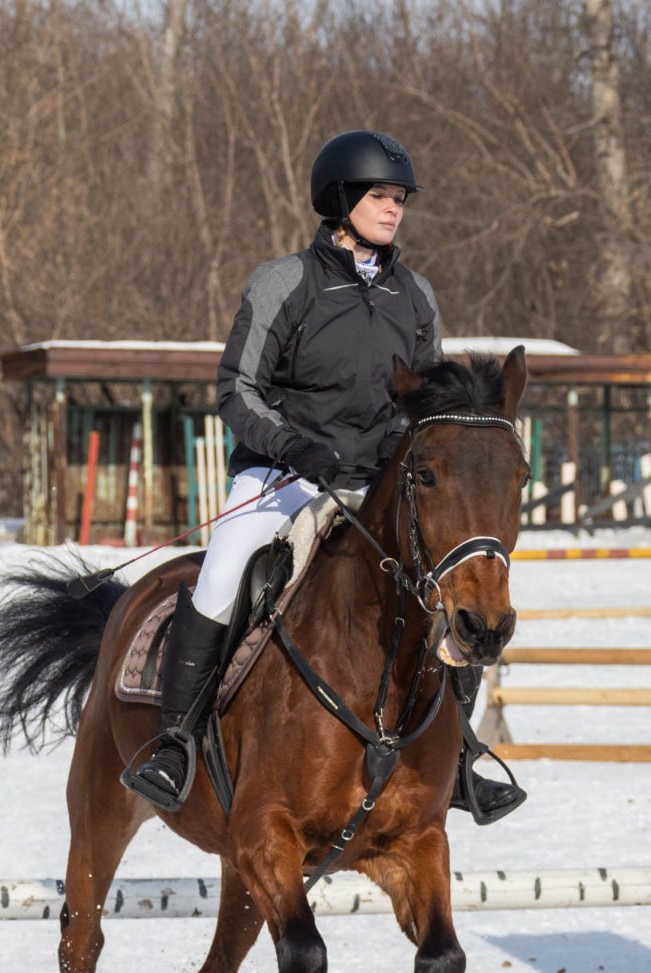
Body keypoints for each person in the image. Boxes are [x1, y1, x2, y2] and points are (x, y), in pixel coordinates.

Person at [122, 129, 523, 823]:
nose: (394, 210)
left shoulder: (416, 295)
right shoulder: (285, 283)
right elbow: (236, 389)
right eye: (380, 197)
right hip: (285, 476)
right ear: (341, 201)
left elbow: (428, 406)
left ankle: (462, 760)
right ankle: (177, 744)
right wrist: (292, 445)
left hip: (380, 486)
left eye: (399, 199)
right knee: (223, 572)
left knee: (453, 593)